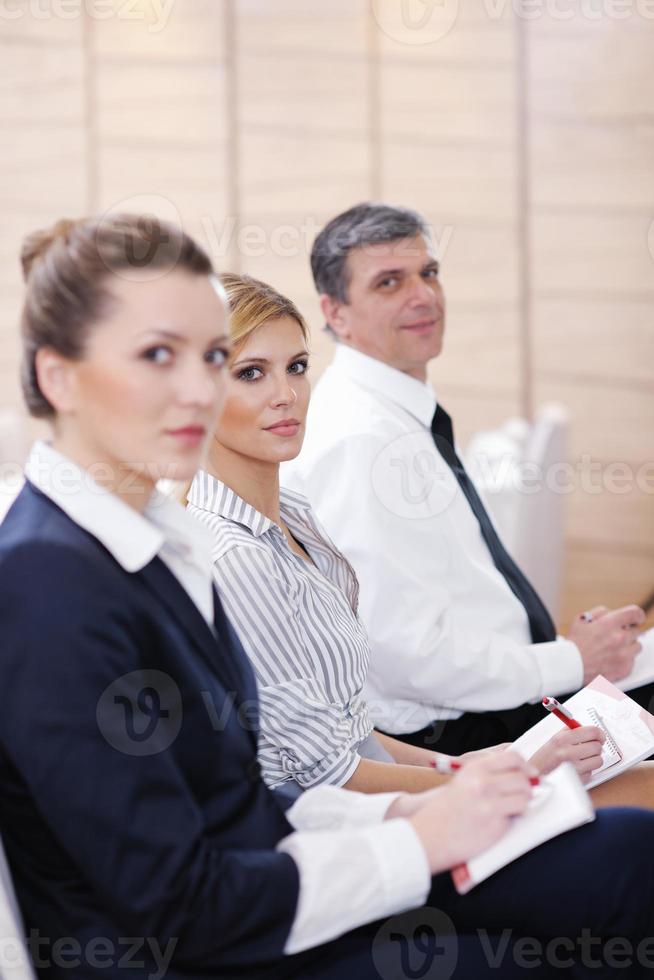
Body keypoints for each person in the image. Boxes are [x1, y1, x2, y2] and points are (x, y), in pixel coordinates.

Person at [3, 216, 654, 980]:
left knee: (626, 853)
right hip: (203, 950)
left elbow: (250, 793)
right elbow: (179, 903)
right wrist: (419, 838)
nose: (196, 389)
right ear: (58, 378)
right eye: (157, 357)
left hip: (269, 882)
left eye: (211, 357)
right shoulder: (51, 583)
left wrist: (417, 810)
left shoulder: (149, 540)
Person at [186, 272, 623, 802]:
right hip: (351, 835)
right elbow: (329, 776)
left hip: (401, 789)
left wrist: (463, 766)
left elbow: (350, 733)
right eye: (251, 373)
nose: (287, 395)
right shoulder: (234, 556)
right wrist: (509, 776)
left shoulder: (294, 516)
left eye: (296, 368)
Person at [281, 201, 652, 755]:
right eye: (390, 282)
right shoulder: (358, 438)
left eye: (428, 273)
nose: (423, 295)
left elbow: (454, 601)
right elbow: (400, 650)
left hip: (510, 695)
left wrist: (569, 648)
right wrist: (571, 660)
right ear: (336, 313)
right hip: (470, 735)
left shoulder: (393, 411)